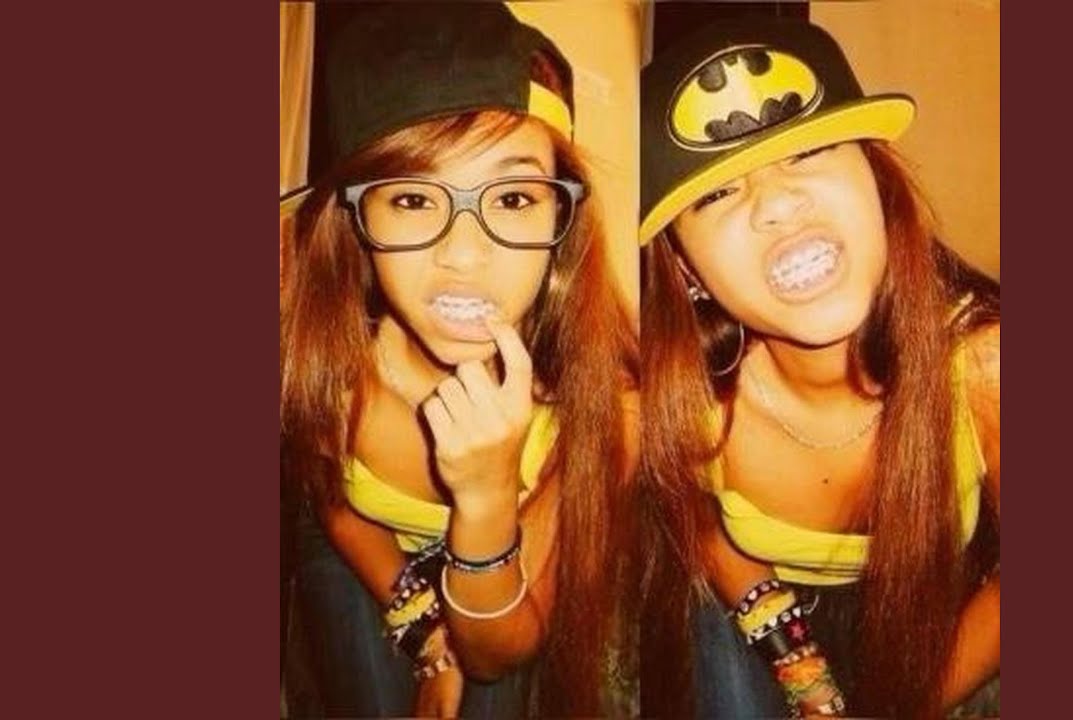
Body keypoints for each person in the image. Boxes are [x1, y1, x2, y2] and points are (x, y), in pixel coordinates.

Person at [637, 16, 1000, 719]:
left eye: (806, 150)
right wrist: (792, 655)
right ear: (685, 269)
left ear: (877, 180)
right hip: (753, 602)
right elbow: (695, 519)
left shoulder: (984, 365)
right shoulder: (681, 393)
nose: (777, 204)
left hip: (925, 621)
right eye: (715, 193)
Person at [280, 4, 637, 717]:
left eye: (513, 197)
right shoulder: (317, 342)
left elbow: (502, 646)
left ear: (561, 214)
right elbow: (331, 500)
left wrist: (487, 498)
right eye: (414, 198)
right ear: (357, 219)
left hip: (506, 576)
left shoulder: (609, 404)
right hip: (359, 539)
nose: (465, 256)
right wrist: (426, 633)